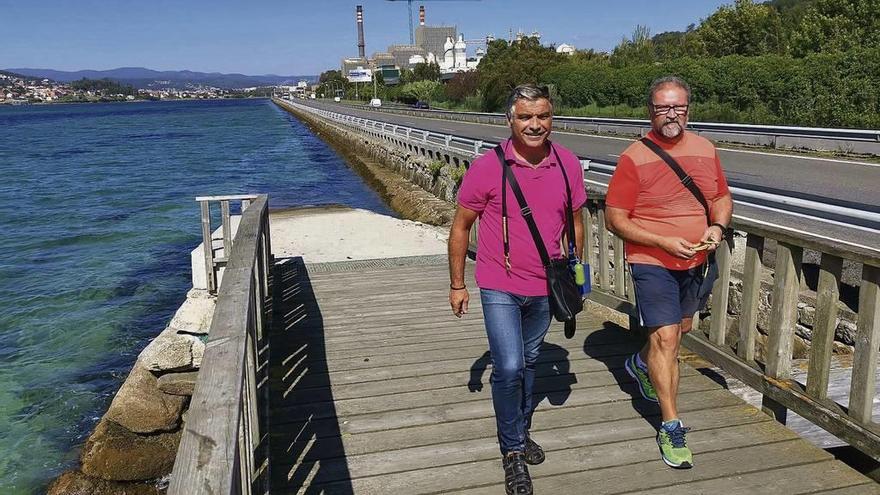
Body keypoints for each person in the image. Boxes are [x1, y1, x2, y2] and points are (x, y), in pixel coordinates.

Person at [447, 84, 586, 495]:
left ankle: (520, 429)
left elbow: (575, 220)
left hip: (546, 285)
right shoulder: (488, 168)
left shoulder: (568, 163)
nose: (534, 124)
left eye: (542, 116)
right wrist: (458, 284)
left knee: (527, 361)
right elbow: (460, 228)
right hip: (498, 282)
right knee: (507, 367)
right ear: (509, 119)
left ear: (552, 118)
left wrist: (576, 272)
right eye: (525, 117)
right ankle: (512, 451)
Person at [605, 76, 733, 469]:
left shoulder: (705, 149)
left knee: (680, 332)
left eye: (678, 107)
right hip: (653, 262)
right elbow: (615, 218)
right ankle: (671, 425)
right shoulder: (634, 157)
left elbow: (720, 197)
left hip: (697, 260)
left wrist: (718, 227)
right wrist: (661, 241)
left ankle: (638, 363)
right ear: (651, 112)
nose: (671, 114)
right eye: (663, 108)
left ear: (689, 109)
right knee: (666, 339)